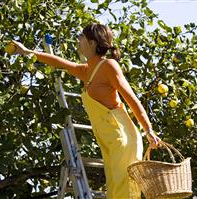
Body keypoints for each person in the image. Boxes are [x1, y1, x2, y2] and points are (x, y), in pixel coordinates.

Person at [11, 23, 161, 199]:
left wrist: (148, 130)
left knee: (124, 191)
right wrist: (26, 52)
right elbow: (60, 63)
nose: (78, 40)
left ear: (92, 43)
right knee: (114, 192)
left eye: (81, 37)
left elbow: (132, 99)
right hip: (108, 140)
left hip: (122, 138)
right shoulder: (87, 70)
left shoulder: (109, 66)